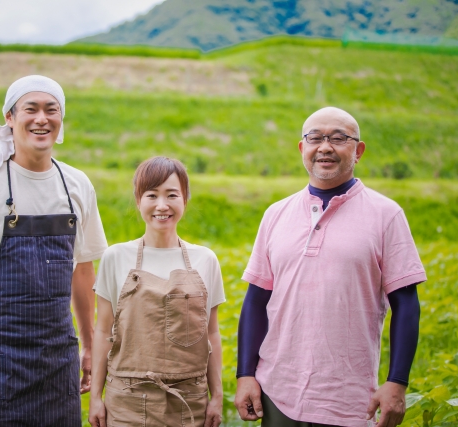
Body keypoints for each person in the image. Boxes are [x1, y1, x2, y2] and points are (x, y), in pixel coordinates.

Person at [234, 107, 426, 427]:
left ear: (358, 150)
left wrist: (397, 382)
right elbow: (255, 300)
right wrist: (245, 374)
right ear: (302, 148)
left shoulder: (386, 215)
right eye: (315, 138)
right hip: (277, 392)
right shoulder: (275, 214)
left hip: (349, 398)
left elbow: (406, 304)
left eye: (338, 138)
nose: (325, 147)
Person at [0, 75, 108, 426]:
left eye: (52, 110)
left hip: (57, 361)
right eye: (30, 109)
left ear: (61, 119)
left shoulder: (76, 184)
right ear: (9, 117)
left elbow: (83, 271)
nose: (41, 119)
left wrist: (90, 346)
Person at [88, 156, 225, 427]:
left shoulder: (205, 260)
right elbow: (103, 331)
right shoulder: (116, 257)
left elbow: (211, 333)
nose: (162, 205)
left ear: (185, 199)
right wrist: (95, 396)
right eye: (152, 195)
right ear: (139, 201)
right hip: (126, 401)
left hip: (189, 402)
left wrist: (217, 395)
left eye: (171, 195)